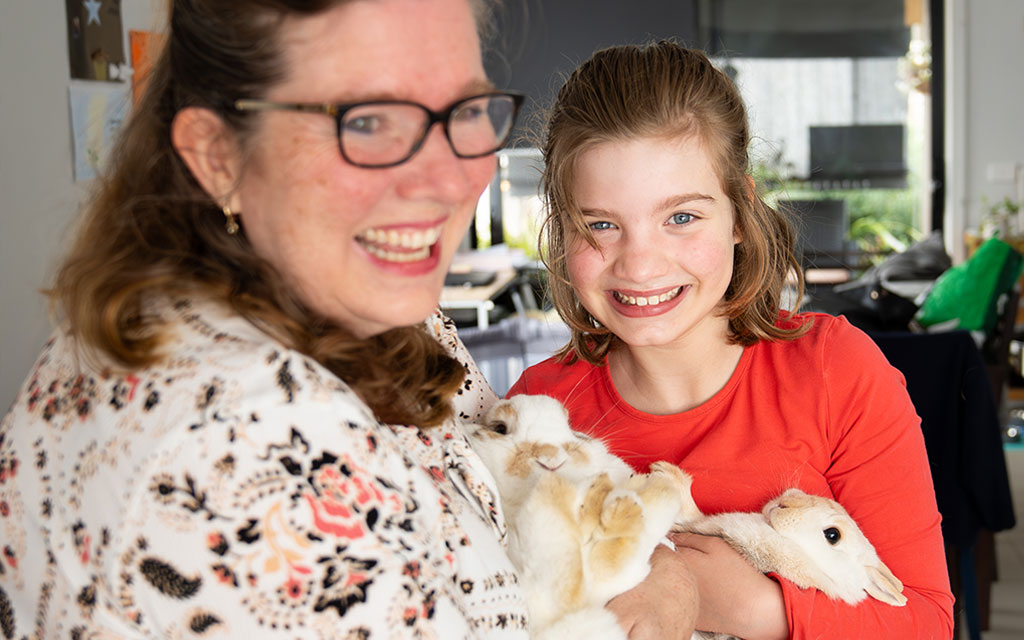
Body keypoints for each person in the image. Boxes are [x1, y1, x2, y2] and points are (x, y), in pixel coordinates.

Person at [0, 2, 697, 638]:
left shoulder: (386, 316)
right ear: (219, 156)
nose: (449, 180)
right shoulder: (246, 450)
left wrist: (665, 571)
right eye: (366, 121)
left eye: (463, 112)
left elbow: (529, 495)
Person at [509, 41, 955, 639]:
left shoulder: (836, 372)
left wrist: (756, 611)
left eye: (682, 218)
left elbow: (926, 621)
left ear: (741, 212)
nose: (640, 266)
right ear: (562, 231)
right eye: (600, 226)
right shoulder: (540, 415)